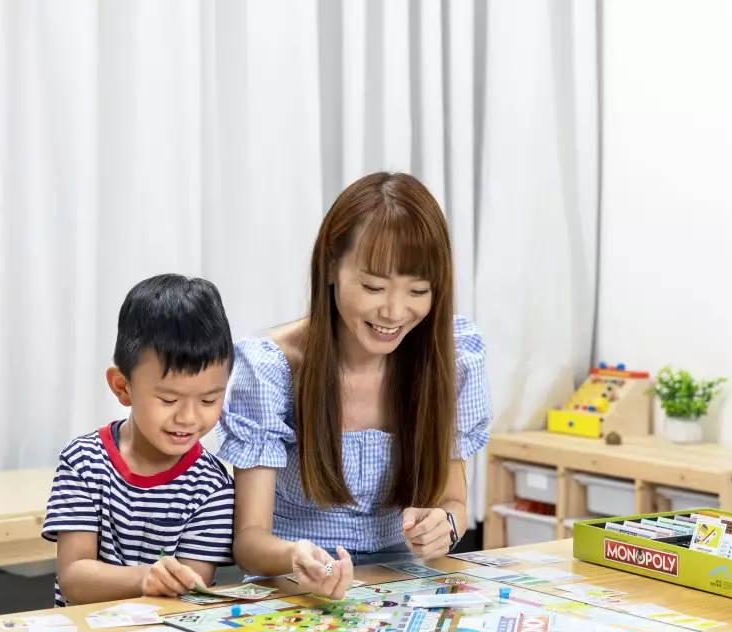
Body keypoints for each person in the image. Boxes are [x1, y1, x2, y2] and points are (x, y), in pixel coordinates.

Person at [216, 171, 492, 600]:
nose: (394, 312)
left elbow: (452, 503)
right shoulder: (272, 368)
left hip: (403, 584)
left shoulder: (451, 359)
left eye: (418, 290)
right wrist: (298, 557)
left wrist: (447, 527)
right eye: (373, 286)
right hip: (297, 587)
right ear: (331, 266)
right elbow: (250, 542)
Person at [41, 274, 236, 607]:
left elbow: (192, 587)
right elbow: (73, 578)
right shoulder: (83, 461)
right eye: (169, 400)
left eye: (209, 400)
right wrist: (144, 579)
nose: (188, 417)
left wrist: (168, 582)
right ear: (122, 387)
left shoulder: (212, 486)